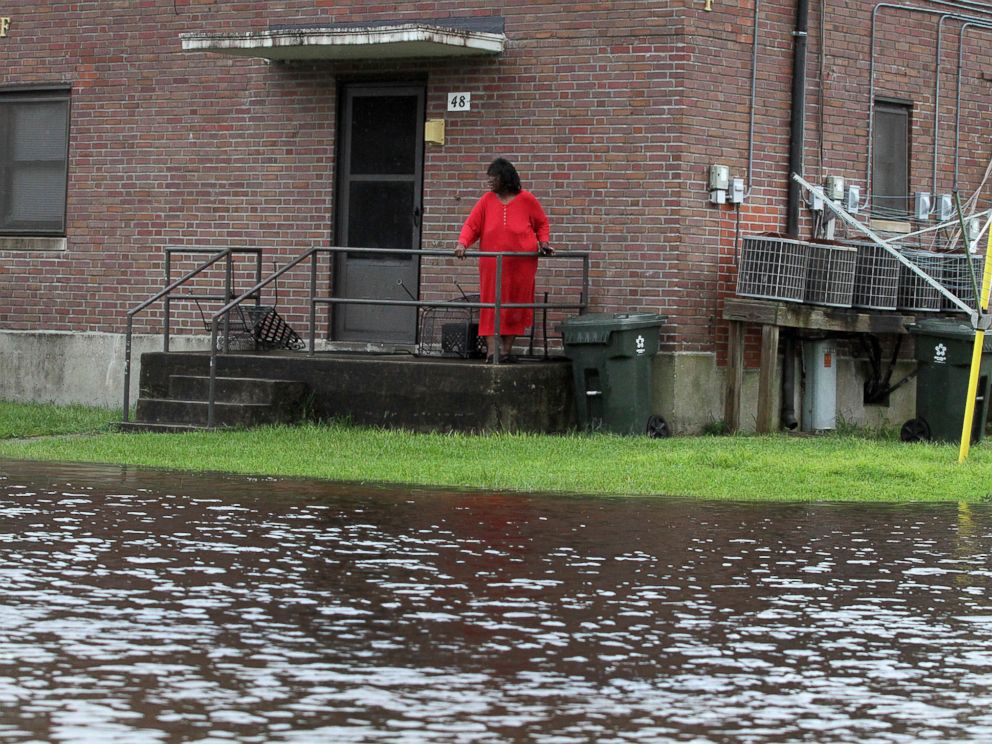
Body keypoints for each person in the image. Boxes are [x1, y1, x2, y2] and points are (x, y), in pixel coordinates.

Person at [455, 158, 553, 363]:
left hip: (522, 265)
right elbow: (472, 225)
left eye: (494, 177)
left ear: (506, 179)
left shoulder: (527, 200)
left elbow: (542, 224)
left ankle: (506, 351)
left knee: (516, 304)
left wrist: (543, 243)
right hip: (492, 265)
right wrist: (462, 243)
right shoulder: (486, 200)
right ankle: (493, 352)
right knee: (491, 304)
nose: (490, 182)